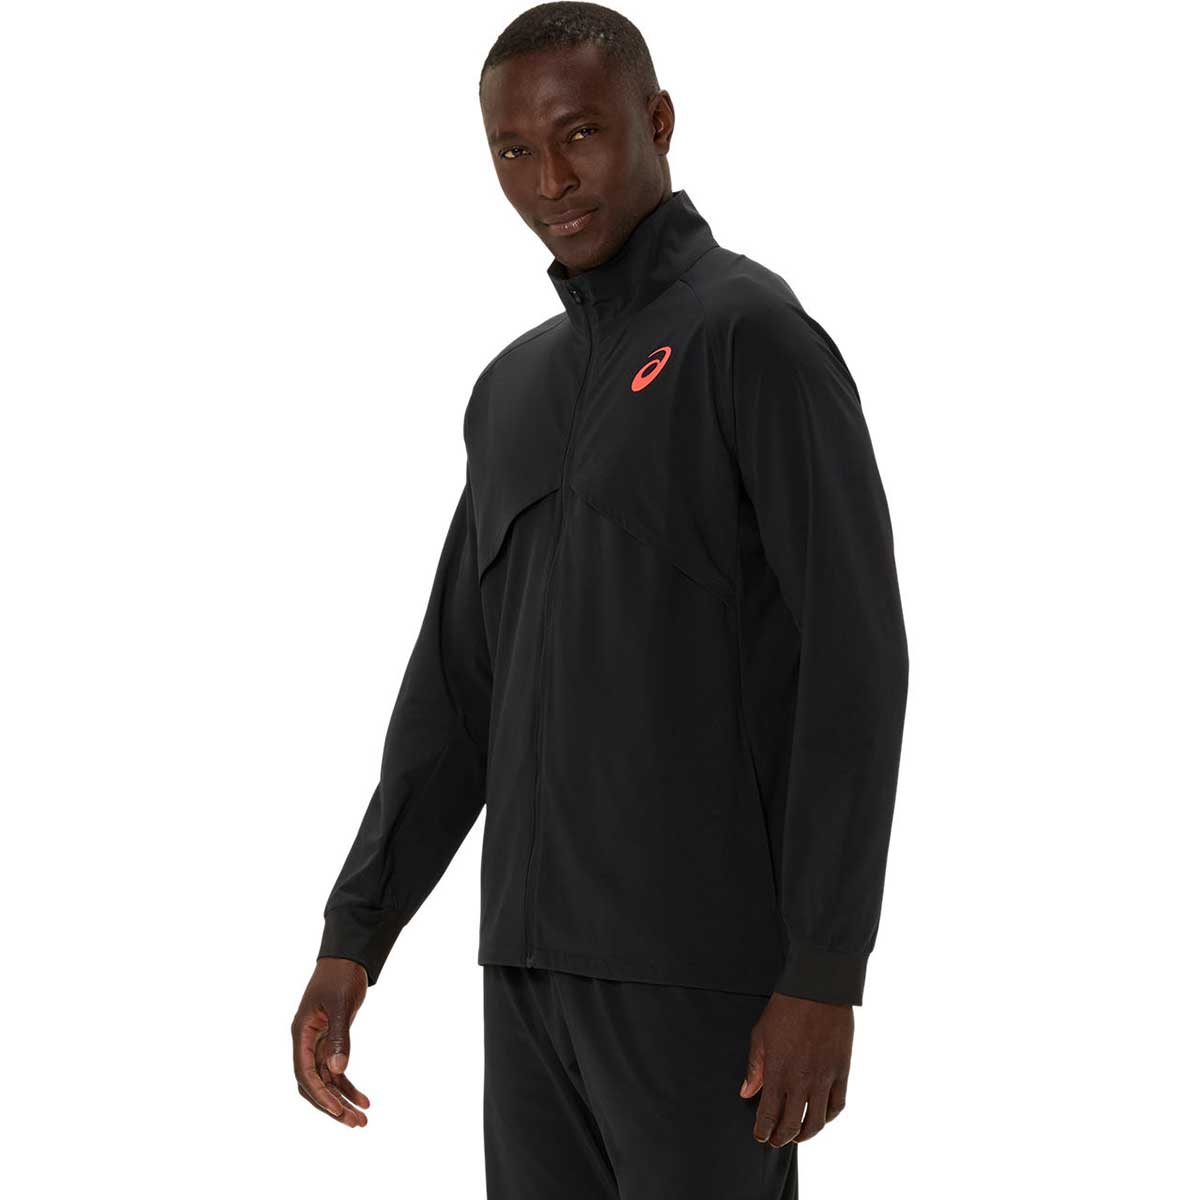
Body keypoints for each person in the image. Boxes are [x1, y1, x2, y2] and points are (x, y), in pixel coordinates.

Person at [290, 4, 909, 1196]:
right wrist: (356, 934)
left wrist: (825, 971)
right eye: (514, 150)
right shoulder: (510, 391)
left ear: (657, 121)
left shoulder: (753, 339)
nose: (550, 181)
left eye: (579, 134)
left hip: (702, 973)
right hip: (526, 978)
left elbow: (856, 663)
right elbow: (456, 691)